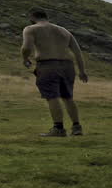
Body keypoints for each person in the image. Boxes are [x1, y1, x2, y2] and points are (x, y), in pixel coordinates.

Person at [20, 9, 89, 137]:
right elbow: (78, 52)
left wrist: (25, 59)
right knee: (68, 97)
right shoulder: (64, 31)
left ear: (32, 17)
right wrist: (82, 71)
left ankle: (58, 128)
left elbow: (26, 47)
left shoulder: (30, 29)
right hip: (67, 66)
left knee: (52, 96)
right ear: (46, 17)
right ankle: (76, 127)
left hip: (48, 65)